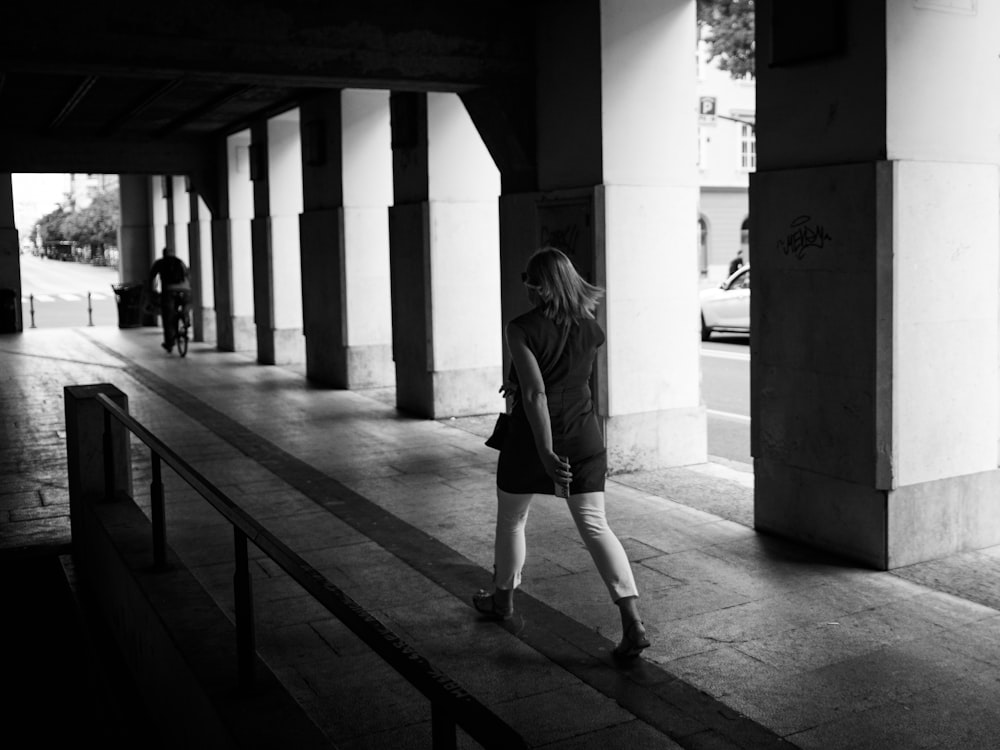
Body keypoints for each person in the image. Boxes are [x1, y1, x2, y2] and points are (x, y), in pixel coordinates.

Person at [472, 246, 651, 662]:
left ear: (537, 285)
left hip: (533, 440)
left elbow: (536, 393)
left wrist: (546, 451)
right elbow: (570, 378)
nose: (527, 289)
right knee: (595, 525)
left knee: (513, 518)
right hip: (584, 437)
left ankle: (504, 600)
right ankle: (632, 621)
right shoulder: (592, 327)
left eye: (527, 280)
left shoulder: (520, 328)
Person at [147, 248, 191, 353]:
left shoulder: (160, 263)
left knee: (168, 316)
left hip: (169, 291)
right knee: (186, 304)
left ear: (164, 254)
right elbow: (187, 274)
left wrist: (151, 290)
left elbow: (151, 277)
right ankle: (186, 320)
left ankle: (169, 343)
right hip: (185, 290)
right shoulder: (180, 261)